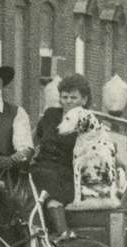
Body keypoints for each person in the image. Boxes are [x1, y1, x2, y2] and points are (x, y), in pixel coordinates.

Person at [32, 74, 93, 235]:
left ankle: (62, 234)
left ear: (84, 100)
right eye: (64, 97)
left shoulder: (87, 122)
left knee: (50, 191)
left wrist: (125, 166)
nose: (68, 101)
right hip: (40, 167)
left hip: (66, 174)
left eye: (73, 97)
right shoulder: (51, 115)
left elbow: (102, 148)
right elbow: (34, 139)